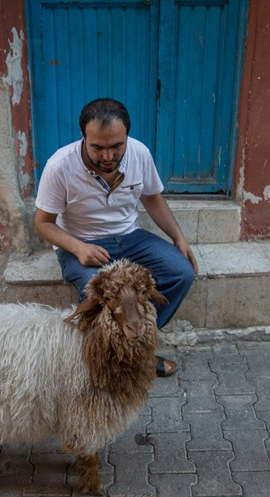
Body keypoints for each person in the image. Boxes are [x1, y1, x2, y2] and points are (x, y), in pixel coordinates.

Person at [34, 98, 198, 377]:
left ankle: (132, 347)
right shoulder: (59, 166)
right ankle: (113, 356)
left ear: (127, 137)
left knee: (181, 272)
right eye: (97, 147)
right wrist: (78, 247)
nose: (108, 157)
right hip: (82, 243)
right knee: (95, 292)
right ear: (84, 137)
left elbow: (153, 199)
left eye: (116, 146)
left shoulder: (140, 153)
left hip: (130, 237)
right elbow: (43, 224)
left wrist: (178, 238)